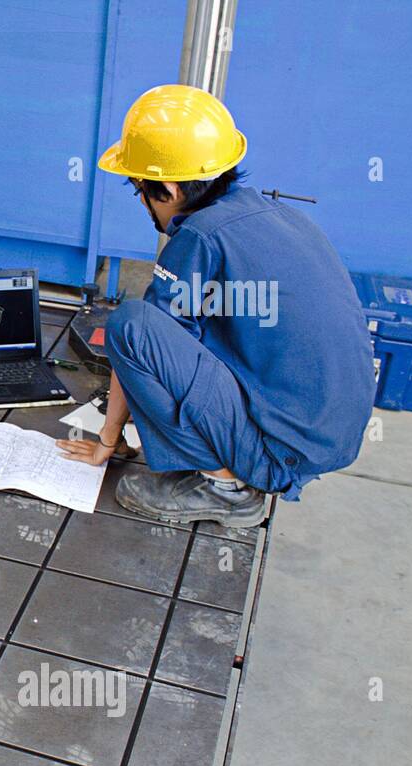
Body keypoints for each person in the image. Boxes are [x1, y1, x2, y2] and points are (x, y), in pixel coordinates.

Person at [57, 85, 374, 527]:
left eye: (139, 191)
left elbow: (144, 337)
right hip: (328, 432)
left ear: (166, 188)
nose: (144, 205)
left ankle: (225, 487)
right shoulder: (279, 216)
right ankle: (233, 464)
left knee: (131, 324)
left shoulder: (200, 236)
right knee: (183, 325)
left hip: (281, 451)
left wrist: (109, 439)